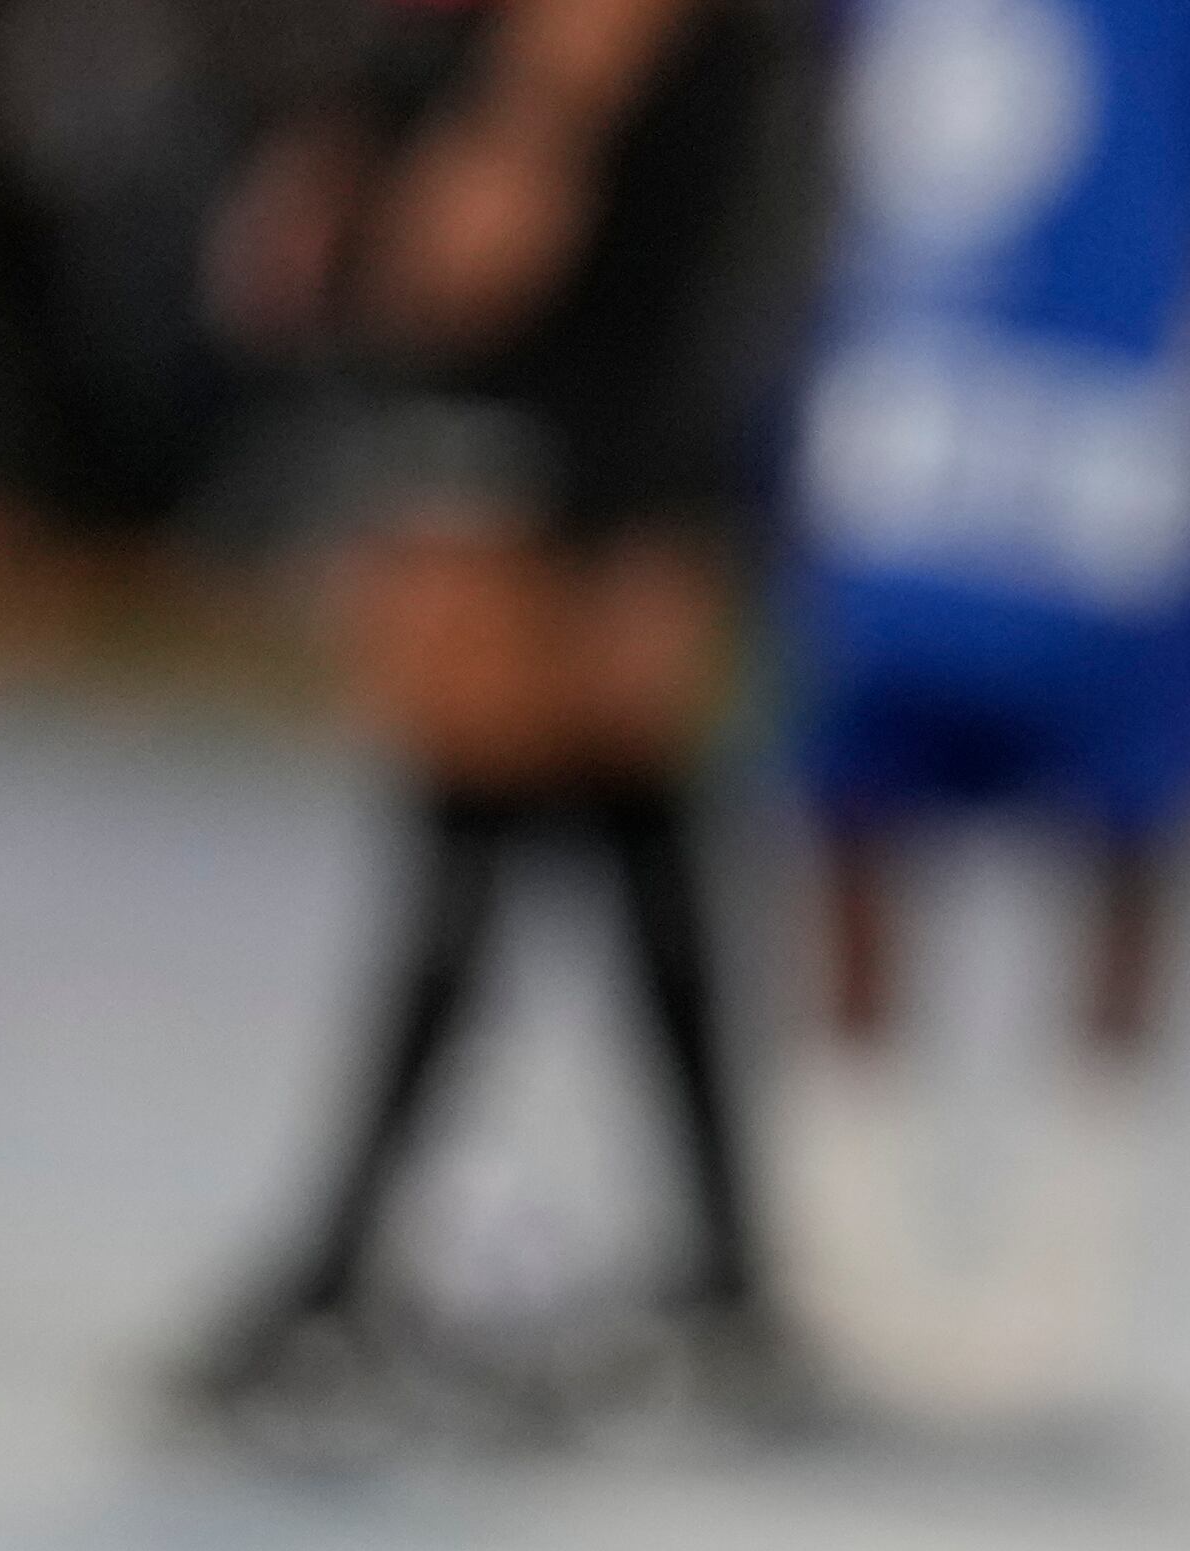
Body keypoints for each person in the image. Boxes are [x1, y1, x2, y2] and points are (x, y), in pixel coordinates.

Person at [179, 0, 787, 1433]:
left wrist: (465, 172)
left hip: (561, 403)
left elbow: (489, 231)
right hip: (604, 381)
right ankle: (728, 1277)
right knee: (621, 836)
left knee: (482, 825)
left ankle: (343, 1266)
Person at [760, 0, 1190, 1420]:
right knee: (855, 813)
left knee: (1130, 837)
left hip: (1105, 413)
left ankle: (1066, 1267)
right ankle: (843, 1248)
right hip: (930, 398)